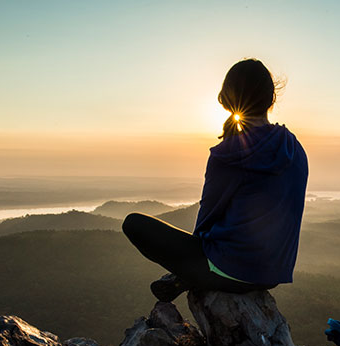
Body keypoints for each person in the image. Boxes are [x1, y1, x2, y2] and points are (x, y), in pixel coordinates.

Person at [122, 58, 308, 302]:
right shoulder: (293, 147)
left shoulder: (229, 155)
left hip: (231, 270)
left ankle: (189, 276)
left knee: (133, 223)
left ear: (228, 99)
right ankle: (190, 276)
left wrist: (190, 262)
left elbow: (206, 219)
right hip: (273, 273)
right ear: (271, 99)